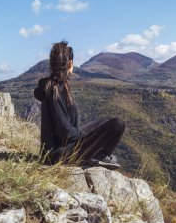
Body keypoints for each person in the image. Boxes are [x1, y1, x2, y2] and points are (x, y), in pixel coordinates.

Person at [34, 41, 125, 169]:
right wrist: (84, 137)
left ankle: (98, 156)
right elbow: (63, 129)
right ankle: (100, 156)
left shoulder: (55, 85)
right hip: (59, 155)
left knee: (105, 122)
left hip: (62, 148)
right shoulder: (54, 89)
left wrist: (85, 136)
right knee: (117, 124)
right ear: (70, 63)